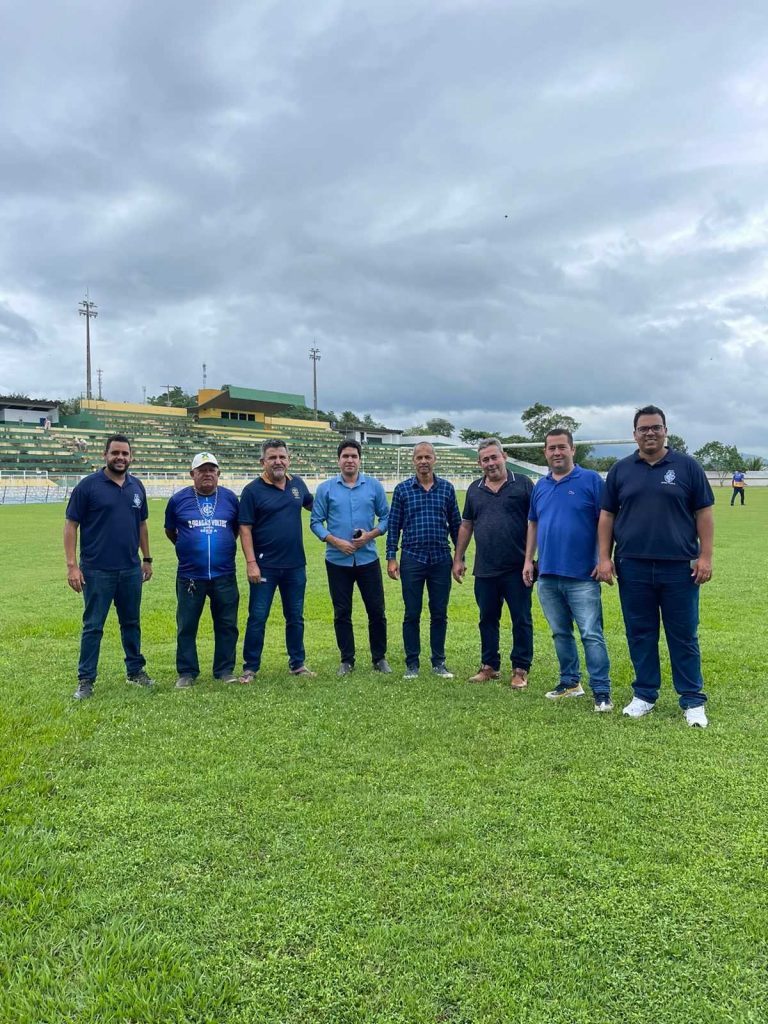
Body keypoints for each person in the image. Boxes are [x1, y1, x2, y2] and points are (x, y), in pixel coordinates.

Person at [597, 405, 714, 727]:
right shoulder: (621, 470)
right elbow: (607, 516)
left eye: (656, 427)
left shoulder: (688, 467)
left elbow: (704, 513)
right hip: (632, 566)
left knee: (684, 635)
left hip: (678, 567)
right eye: (643, 428)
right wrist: (604, 558)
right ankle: (645, 694)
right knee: (640, 633)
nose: (650, 433)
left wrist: (705, 557)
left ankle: (692, 700)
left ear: (666, 431)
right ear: (634, 434)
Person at [523, 430, 613, 711]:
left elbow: (605, 521)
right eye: (551, 448)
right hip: (548, 575)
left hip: (583, 575)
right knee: (560, 632)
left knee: (590, 633)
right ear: (545, 452)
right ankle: (570, 682)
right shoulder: (541, 485)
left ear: (573, 449)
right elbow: (533, 524)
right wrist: (529, 560)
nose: (557, 452)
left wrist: (603, 558)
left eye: (562, 447)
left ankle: (602, 691)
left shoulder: (591, 481)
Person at [64, 434, 154, 699]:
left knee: (131, 622)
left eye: (125, 454)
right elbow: (71, 526)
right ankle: (86, 679)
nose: (120, 458)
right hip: (96, 570)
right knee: (93, 626)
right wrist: (72, 566)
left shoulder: (137, 486)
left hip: (130, 569)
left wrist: (146, 559)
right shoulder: (88, 486)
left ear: (131, 457)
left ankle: (135, 671)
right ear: (105, 455)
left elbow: (142, 525)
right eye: (115, 453)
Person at [452, 438, 534, 688]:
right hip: (485, 568)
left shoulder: (523, 484)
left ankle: (520, 669)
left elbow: (534, 523)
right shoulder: (475, 489)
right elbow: (467, 524)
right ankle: (489, 666)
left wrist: (529, 560)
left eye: (493, 457)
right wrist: (458, 557)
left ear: (504, 457)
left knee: (521, 618)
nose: (490, 463)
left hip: (517, 567)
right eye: (485, 459)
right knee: (487, 618)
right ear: (479, 463)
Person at [310, 440, 391, 675]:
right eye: (345, 456)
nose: (349, 460)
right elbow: (315, 522)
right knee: (342, 611)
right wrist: (335, 541)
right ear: (338, 460)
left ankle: (379, 658)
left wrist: (370, 535)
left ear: (359, 459)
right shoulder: (326, 489)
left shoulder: (374, 486)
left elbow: (386, 518)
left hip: (368, 559)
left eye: (354, 456)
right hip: (337, 560)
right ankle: (347, 659)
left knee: (376, 610)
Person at [238, 438, 315, 681]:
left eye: (282, 457)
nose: (278, 461)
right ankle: (250, 667)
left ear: (289, 460)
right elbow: (245, 528)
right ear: (263, 461)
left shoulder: (298, 485)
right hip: (265, 567)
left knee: (295, 617)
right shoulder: (252, 491)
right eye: (272, 457)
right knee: (258, 617)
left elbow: (317, 508)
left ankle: (298, 664)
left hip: (295, 566)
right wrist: (251, 563)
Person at [164, 453, 240, 688]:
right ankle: (187, 672)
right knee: (187, 625)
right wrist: (189, 547)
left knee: (227, 624)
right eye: (201, 470)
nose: (207, 474)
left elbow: (235, 529)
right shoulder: (178, 500)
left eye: (212, 470)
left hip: (224, 574)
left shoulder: (229, 498)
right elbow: (170, 531)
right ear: (192, 474)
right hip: (190, 576)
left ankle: (224, 670)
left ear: (218, 473)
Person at [386, 443, 462, 679]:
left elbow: (457, 526)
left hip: (441, 557)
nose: (423, 461)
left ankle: (438, 662)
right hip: (412, 558)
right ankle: (412, 664)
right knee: (412, 612)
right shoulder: (402, 490)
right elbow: (393, 527)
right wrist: (391, 557)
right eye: (419, 457)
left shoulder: (447, 489)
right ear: (413, 460)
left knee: (439, 612)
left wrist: (459, 558)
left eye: (427, 456)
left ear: (435, 459)